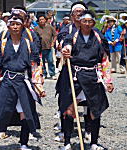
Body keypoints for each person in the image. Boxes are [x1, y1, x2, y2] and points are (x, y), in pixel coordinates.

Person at [57, 10, 114, 150]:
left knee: (95, 110)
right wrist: (67, 50)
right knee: (69, 110)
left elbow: (104, 60)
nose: (87, 24)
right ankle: (67, 142)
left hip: (92, 77)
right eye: (84, 21)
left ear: (93, 23)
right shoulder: (73, 36)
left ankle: (94, 142)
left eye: (90, 22)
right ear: (80, 23)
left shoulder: (99, 37)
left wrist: (108, 81)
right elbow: (67, 44)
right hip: (75, 76)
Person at [0, 14, 41, 150]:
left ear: (22, 26)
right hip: (7, 81)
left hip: (23, 81)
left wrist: (38, 86)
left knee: (25, 112)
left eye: (18, 24)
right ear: (8, 26)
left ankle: (23, 143)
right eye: (13, 24)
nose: (15, 27)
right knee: (0, 111)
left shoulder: (29, 44)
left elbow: (35, 66)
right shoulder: (2, 44)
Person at [34, 15, 57, 79]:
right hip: (40, 48)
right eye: (40, 20)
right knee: (42, 62)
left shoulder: (50, 27)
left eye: (42, 19)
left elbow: (55, 35)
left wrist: (53, 43)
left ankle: (52, 74)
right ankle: (44, 74)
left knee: (50, 61)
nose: (41, 21)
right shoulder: (36, 28)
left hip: (48, 47)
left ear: (45, 20)